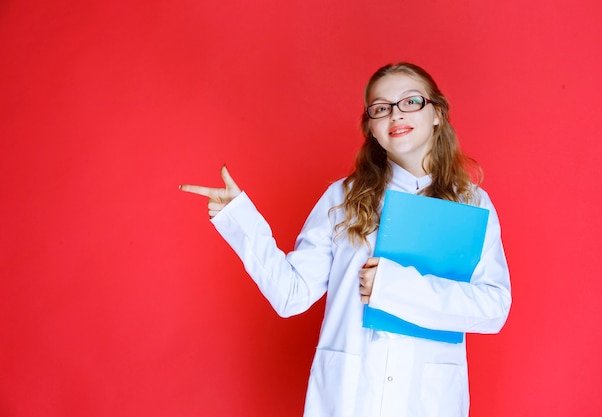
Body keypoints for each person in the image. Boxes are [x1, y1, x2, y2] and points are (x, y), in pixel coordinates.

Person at [180, 62, 511, 417]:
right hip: (351, 397)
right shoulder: (343, 197)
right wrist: (240, 220)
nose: (395, 114)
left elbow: (492, 310)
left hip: (427, 400)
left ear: (437, 114)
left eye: (411, 101)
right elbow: (291, 295)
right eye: (381, 108)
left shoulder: (472, 203)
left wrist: (393, 285)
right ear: (371, 127)